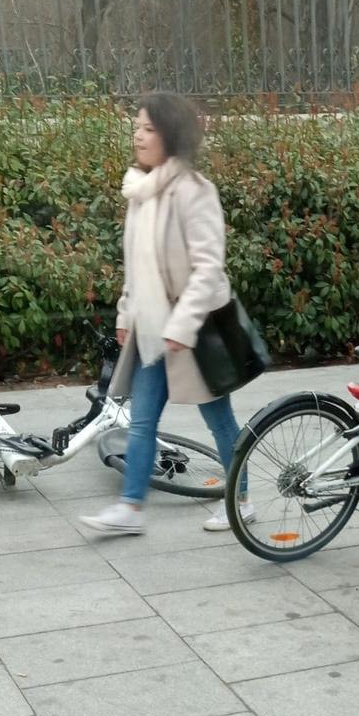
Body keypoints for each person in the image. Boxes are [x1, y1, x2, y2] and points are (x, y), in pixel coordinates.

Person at [80, 92, 253, 535]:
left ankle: (242, 499)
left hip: (191, 330)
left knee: (219, 420)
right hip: (152, 328)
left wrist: (183, 324)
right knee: (142, 419)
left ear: (170, 136)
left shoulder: (195, 192)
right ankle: (131, 508)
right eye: (136, 126)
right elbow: (135, 266)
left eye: (148, 128)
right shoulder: (140, 190)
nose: (137, 135)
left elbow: (208, 267)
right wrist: (125, 314)